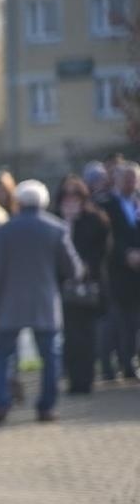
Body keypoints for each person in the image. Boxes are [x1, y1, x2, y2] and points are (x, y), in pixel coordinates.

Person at [0, 179, 83, 424]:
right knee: (50, 357)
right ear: (44, 201)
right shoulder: (57, 228)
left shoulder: (4, 230)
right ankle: (46, 406)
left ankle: (1, 403)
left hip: (10, 304)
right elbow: (74, 270)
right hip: (44, 302)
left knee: (2, 356)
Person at [55, 176, 111, 395]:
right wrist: (67, 223)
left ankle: (86, 379)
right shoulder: (56, 222)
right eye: (66, 196)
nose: (70, 200)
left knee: (86, 335)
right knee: (69, 336)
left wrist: (85, 268)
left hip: (89, 287)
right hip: (63, 287)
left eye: (75, 195)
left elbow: (101, 251)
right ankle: (73, 378)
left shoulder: (96, 220)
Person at [97, 160, 140, 382]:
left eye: (134, 179)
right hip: (115, 271)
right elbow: (106, 236)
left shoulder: (137, 202)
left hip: (136, 274)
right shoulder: (106, 203)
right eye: (127, 178)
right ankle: (108, 365)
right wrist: (125, 255)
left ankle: (129, 363)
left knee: (133, 321)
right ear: (117, 179)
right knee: (115, 321)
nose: (131, 183)